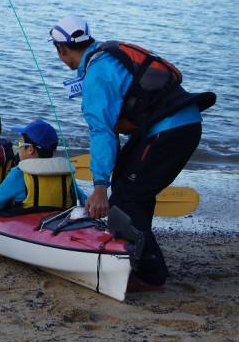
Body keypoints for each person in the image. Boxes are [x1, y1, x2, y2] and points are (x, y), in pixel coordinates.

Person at [49, 15, 216, 289]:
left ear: (61, 50)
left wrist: (99, 186)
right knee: (127, 181)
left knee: (127, 195)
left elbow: (102, 132)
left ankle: (148, 275)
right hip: (180, 123)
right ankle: (134, 251)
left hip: (170, 131)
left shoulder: (96, 76)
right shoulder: (106, 53)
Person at [0, 119, 83, 215]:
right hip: (56, 224)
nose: (19, 147)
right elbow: (83, 200)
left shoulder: (19, 174)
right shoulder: (66, 175)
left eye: (20, 143)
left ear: (30, 149)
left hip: (26, 228)